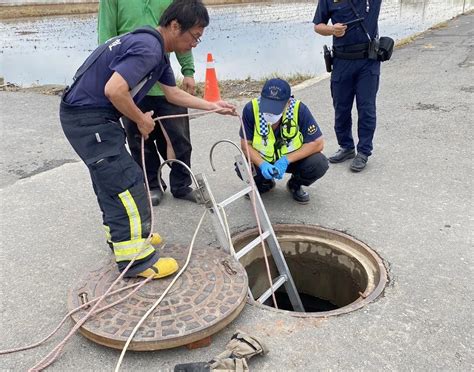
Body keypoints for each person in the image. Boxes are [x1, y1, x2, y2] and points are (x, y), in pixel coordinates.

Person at [59, 0, 235, 279]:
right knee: (126, 183)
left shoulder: (157, 49)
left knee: (110, 181)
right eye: (195, 36)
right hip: (87, 119)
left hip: (91, 117)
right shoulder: (149, 48)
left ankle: (124, 237)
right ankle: (135, 261)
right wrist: (141, 119)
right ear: (175, 26)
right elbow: (115, 90)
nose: (195, 43)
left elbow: (172, 94)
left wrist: (213, 105)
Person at [98, 0, 197, 206]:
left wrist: (188, 70)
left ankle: (181, 184)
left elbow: (182, 34)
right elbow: (106, 37)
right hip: (131, 84)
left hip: (162, 77)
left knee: (179, 138)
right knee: (140, 141)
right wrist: (111, 78)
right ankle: (152, 185)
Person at [313, 0, 382, 172]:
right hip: (342, 61)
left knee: (366, 108)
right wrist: (332, 30)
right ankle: (346, 147)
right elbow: (318, 26)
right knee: (341, 107)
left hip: (368, 61)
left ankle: (364, 152)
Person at [237, 78, 329, 204]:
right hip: (264, 160)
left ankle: (295, 184)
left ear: (288, 103)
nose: (270, 112)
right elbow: (245, 145)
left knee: (319, 163)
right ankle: (265, 183)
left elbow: (318, 143)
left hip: (292, 161)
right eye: (267, 105)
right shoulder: (251, 109)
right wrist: (262, 164)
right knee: (243, 166)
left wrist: (286, 160)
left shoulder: (299, 110)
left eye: (275, 108)